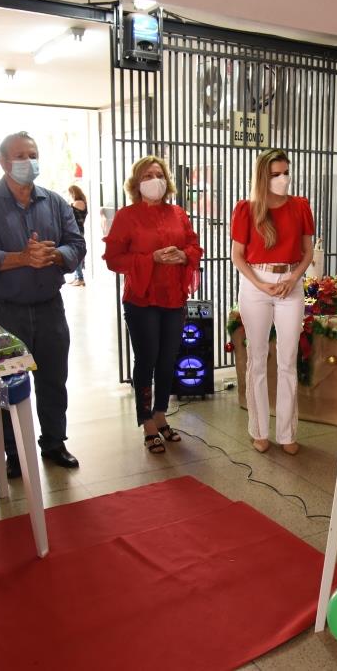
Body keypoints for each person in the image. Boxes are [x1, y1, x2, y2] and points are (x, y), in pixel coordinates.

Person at [0, 131, 86, 478]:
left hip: (50, 307)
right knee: (5, 383)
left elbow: (77, 244)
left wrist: (54, 255)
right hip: (5, 311)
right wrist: (20, 258)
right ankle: (14, 452)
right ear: (3, 162)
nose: (28, 162)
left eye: (33, 154)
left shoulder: (55, 202)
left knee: (54, 379)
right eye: (19, 156)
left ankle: (54, 442)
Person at [103, 156, 203, 452]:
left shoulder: (178, 213)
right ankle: (146, 420)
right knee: (146, 359)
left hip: (174, 298)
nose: (155, 180)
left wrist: (184, 255)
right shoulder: (126, 216)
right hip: (142, 300)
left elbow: (193, 245)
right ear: (136, 183)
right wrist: (151, 259)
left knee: (168, 358)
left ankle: (161, 414)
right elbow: (114, 259)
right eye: (147, 175)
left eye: (159, 174)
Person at [230, 149, 314, 456]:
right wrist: (261, 284)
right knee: (257, 357)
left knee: (288, 359)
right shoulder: (247, 209)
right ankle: (259, 430)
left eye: (286, 172)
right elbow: (237, 256)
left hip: (290, 281)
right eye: (276, 174)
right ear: (262, 177)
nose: (283, 179)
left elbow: (308, 251)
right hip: (257, 283)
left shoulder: (300, 206)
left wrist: (293, 279)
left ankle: (287, 432)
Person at [67, 185, 88, 286]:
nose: (69, 195)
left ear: (73, 193)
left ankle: (80, 278)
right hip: (78, 231)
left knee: (76, 254)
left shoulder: (78, 203)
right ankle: (77, 277)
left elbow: (68, 212)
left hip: (77, 231)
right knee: (76, 253)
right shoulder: (81, 202)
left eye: (70, 193)